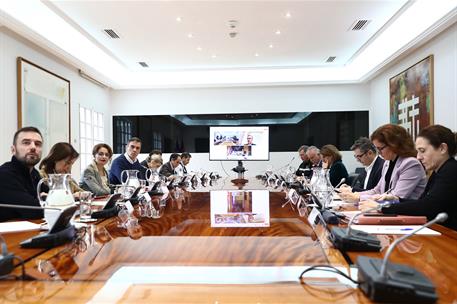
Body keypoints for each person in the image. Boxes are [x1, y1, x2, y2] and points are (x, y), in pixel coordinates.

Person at [360, 125, 457, 230]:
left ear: (442, 148)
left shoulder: (451, 170)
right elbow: (422, 201)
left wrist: (382, 207)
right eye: (418, 151)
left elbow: (428, 207)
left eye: (422, 151)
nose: (418, 156)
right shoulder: (438, 172)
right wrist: (397, 200)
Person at [340, 124, 426, 203]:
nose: (379, 153)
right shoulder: (387, 163)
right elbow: (377, 190)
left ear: (394, 145)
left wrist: (359, 198)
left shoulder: (411, 164)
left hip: (407, 216)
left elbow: (396, 197)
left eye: (381, 148)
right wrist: (355, 195)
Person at [0, 127, 44, 221]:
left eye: (38, 144)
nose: (33, 147)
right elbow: (33, 210)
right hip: (9, 234)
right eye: (26, 142)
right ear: (13, 150)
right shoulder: (4, 174)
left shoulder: (35, 174)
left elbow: (56, 201)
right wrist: (45, 200)